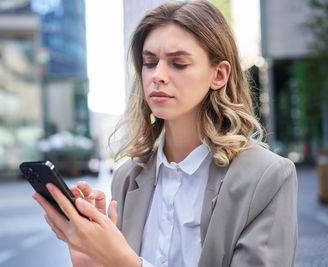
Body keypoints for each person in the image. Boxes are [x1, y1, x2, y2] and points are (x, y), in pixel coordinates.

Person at [32, 1, 298, 266]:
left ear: (219, 74)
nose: (157, 75)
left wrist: (124, 261)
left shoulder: (267, 176)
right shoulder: (127, 178)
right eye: (149, 62)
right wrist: (95, 261)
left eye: (178, 63)